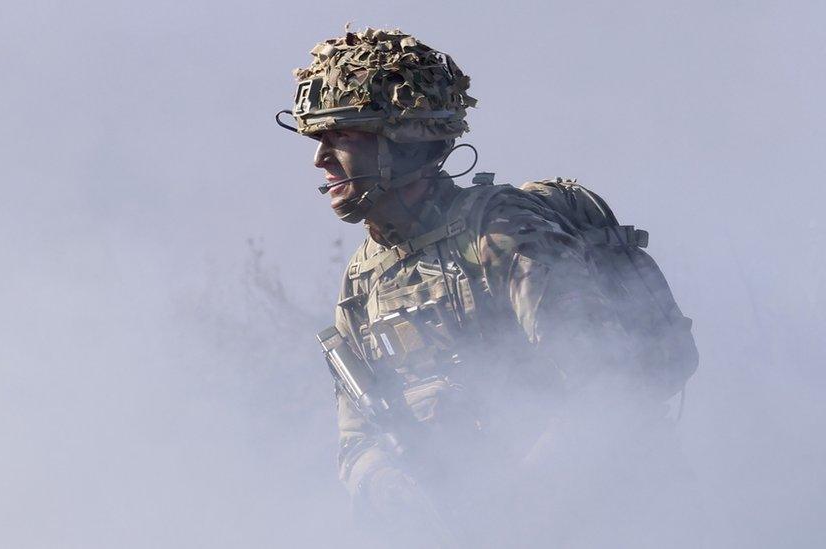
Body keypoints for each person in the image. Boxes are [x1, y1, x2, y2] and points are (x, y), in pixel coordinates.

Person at [278, 27, 698, 548]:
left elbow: (604, 386)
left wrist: (517, 495)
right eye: (318, 140)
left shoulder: (500, 233)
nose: (319, 160)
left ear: (403, 142)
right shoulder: (365, 277)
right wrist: (392, 489)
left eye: (340, 137)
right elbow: (357, 440)